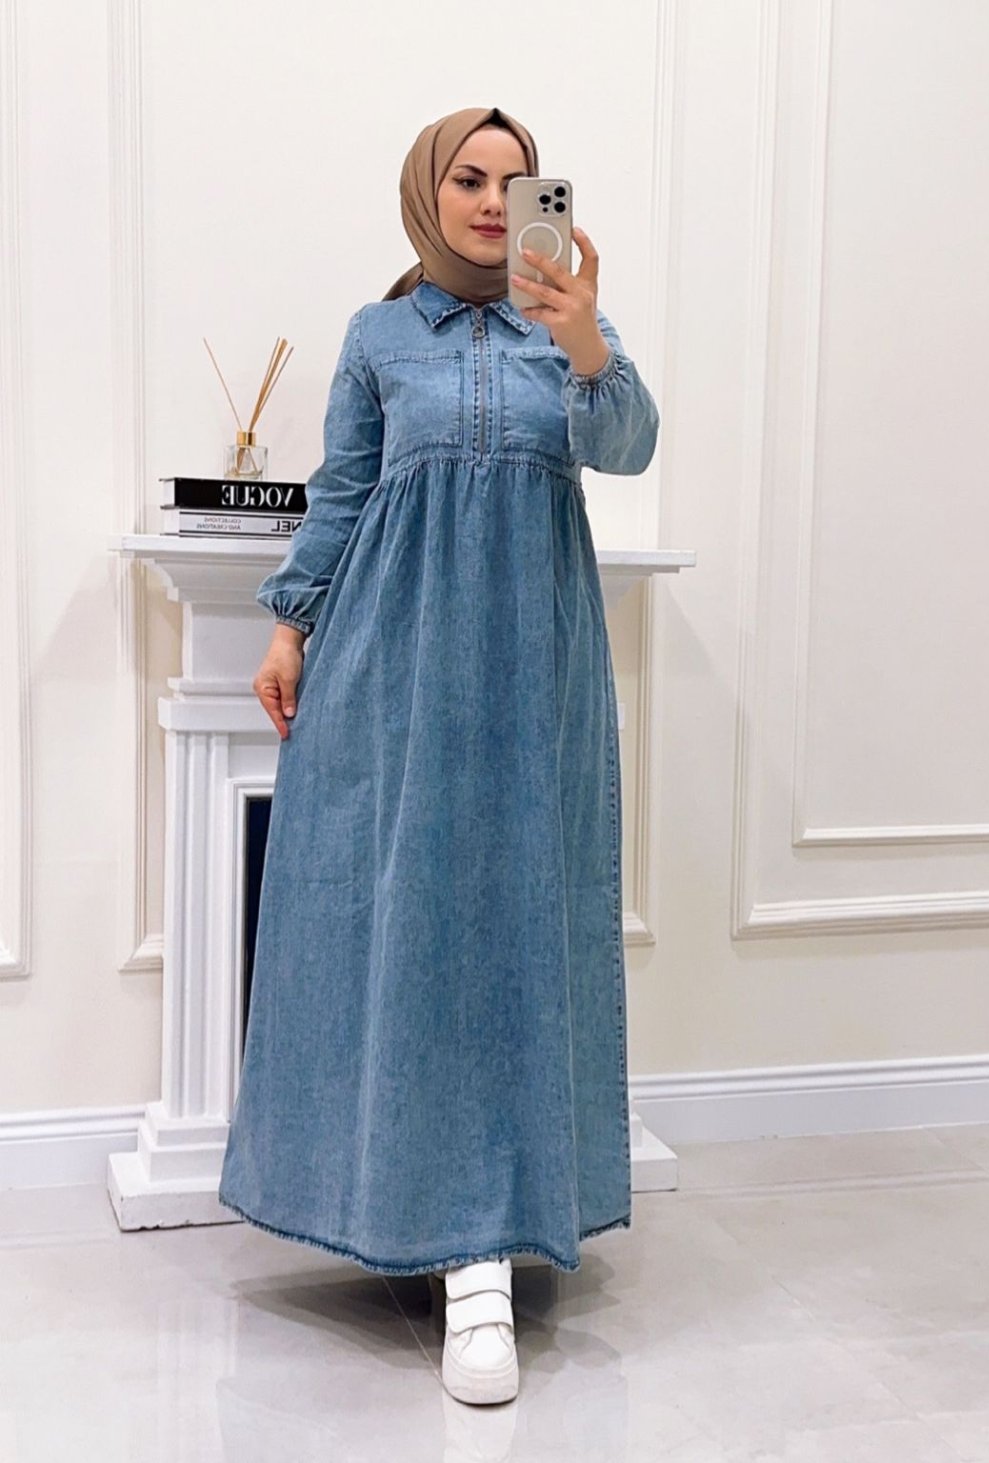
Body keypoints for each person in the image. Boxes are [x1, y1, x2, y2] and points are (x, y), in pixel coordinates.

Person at [218, 105, 660, 1406]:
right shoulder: (377, 337)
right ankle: (398, 1204)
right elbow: (344, 492)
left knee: (517, 926)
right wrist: (290, 625)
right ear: (429, 190)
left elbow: (627, 447)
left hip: (533, 673)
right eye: (469, 178)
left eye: (517, 183)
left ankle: (493, 1239)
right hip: (391, 662)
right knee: (396, 923)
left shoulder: (565, 326)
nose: (492, 202)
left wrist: (584, 339)